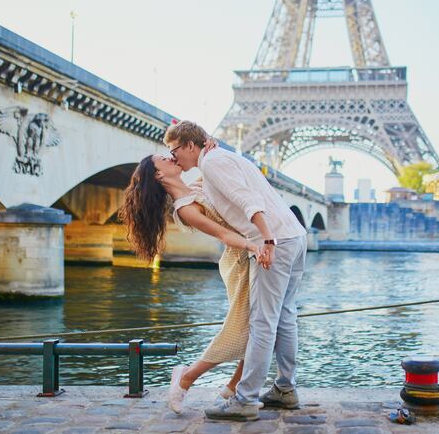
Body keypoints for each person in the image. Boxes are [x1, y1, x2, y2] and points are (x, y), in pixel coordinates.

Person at [164, 121, 307, 422]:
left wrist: (266, 239)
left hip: (274, 241)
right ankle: (284, 388)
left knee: (262, 323)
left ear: (191, 146)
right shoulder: (218, 160)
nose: (173, 157)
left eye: (174, 150)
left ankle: (245, 399)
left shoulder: (214, 162)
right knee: (285, 316)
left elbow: (248, 201)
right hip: (294, 235)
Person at [118, 153, 265, 413]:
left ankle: (232, 387)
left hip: (250, 255)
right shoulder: (184, 208)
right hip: (241, 260)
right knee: (245, 329)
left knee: (257, 328)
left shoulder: (195, 187)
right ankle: (187, 377)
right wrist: (254, 243)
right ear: (159, 175)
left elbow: (209, 170)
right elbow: (222, 233)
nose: (169, 155)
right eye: (162, 158)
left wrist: (208, 148)